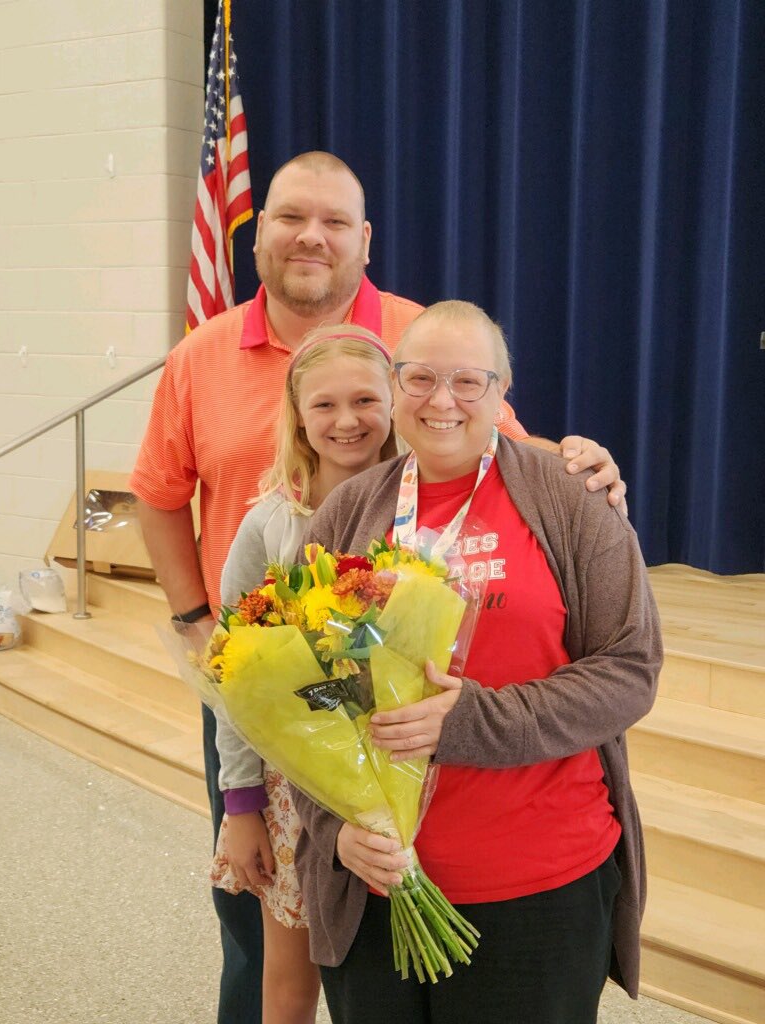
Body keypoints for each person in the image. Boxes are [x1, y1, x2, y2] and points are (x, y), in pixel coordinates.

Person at [130, 151, 626, 1023]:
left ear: (365, 240)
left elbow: (485, 433)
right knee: (267, 943)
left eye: (333, 222)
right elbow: (159, 493)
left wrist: (584, 465)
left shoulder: (417, 332)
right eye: (289, 217)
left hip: (483, 812)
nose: (354, 420)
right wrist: (201, 630)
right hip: (272, 713)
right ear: (257, 235)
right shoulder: (203, 362)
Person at [292, 300, 663, 1024]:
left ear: (502, 393)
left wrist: (471, 720)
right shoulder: (346, 512)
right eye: (421, 377)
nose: (442, 401)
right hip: (378, 885)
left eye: (469, 381)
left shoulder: (571, 494)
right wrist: (333, 835)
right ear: (396, 386)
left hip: (536, 888)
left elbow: (630, 667)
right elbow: (307, 694)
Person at [211, 325, 399, 1024]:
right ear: (296, 417)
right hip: (296, 783)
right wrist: (241, 804)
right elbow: (234, 676)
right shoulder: (270, 525)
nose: (346, 421)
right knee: (290, 983)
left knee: (386, 973)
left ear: (395, 403)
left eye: (364, 400)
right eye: (324, 405)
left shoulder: (423, 509)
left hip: (407, 768)